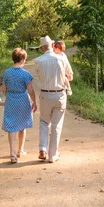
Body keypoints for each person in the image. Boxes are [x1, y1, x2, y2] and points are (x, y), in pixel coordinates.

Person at [35, 35, 68, 163]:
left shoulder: (38, 61)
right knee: (56, 125)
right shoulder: (61, 59)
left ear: (42, 48)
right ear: (52, 45)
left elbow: (36, 80)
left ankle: (42, 148)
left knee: (44, 122)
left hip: (45, 94)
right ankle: (52, 155)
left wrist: (43, 84)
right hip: (59, 94)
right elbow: (69, 76)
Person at [1, 48, 37, 164]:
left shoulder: (6, 72)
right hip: (23, 100)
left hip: (11, 99)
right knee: (22, 125)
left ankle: (12, 153)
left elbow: (3, 88)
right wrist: (34, 101)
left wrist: (9, 95)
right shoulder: (26, 74)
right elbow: (30, 90)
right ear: (22, 59)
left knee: (11, 125)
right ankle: (20, 150)